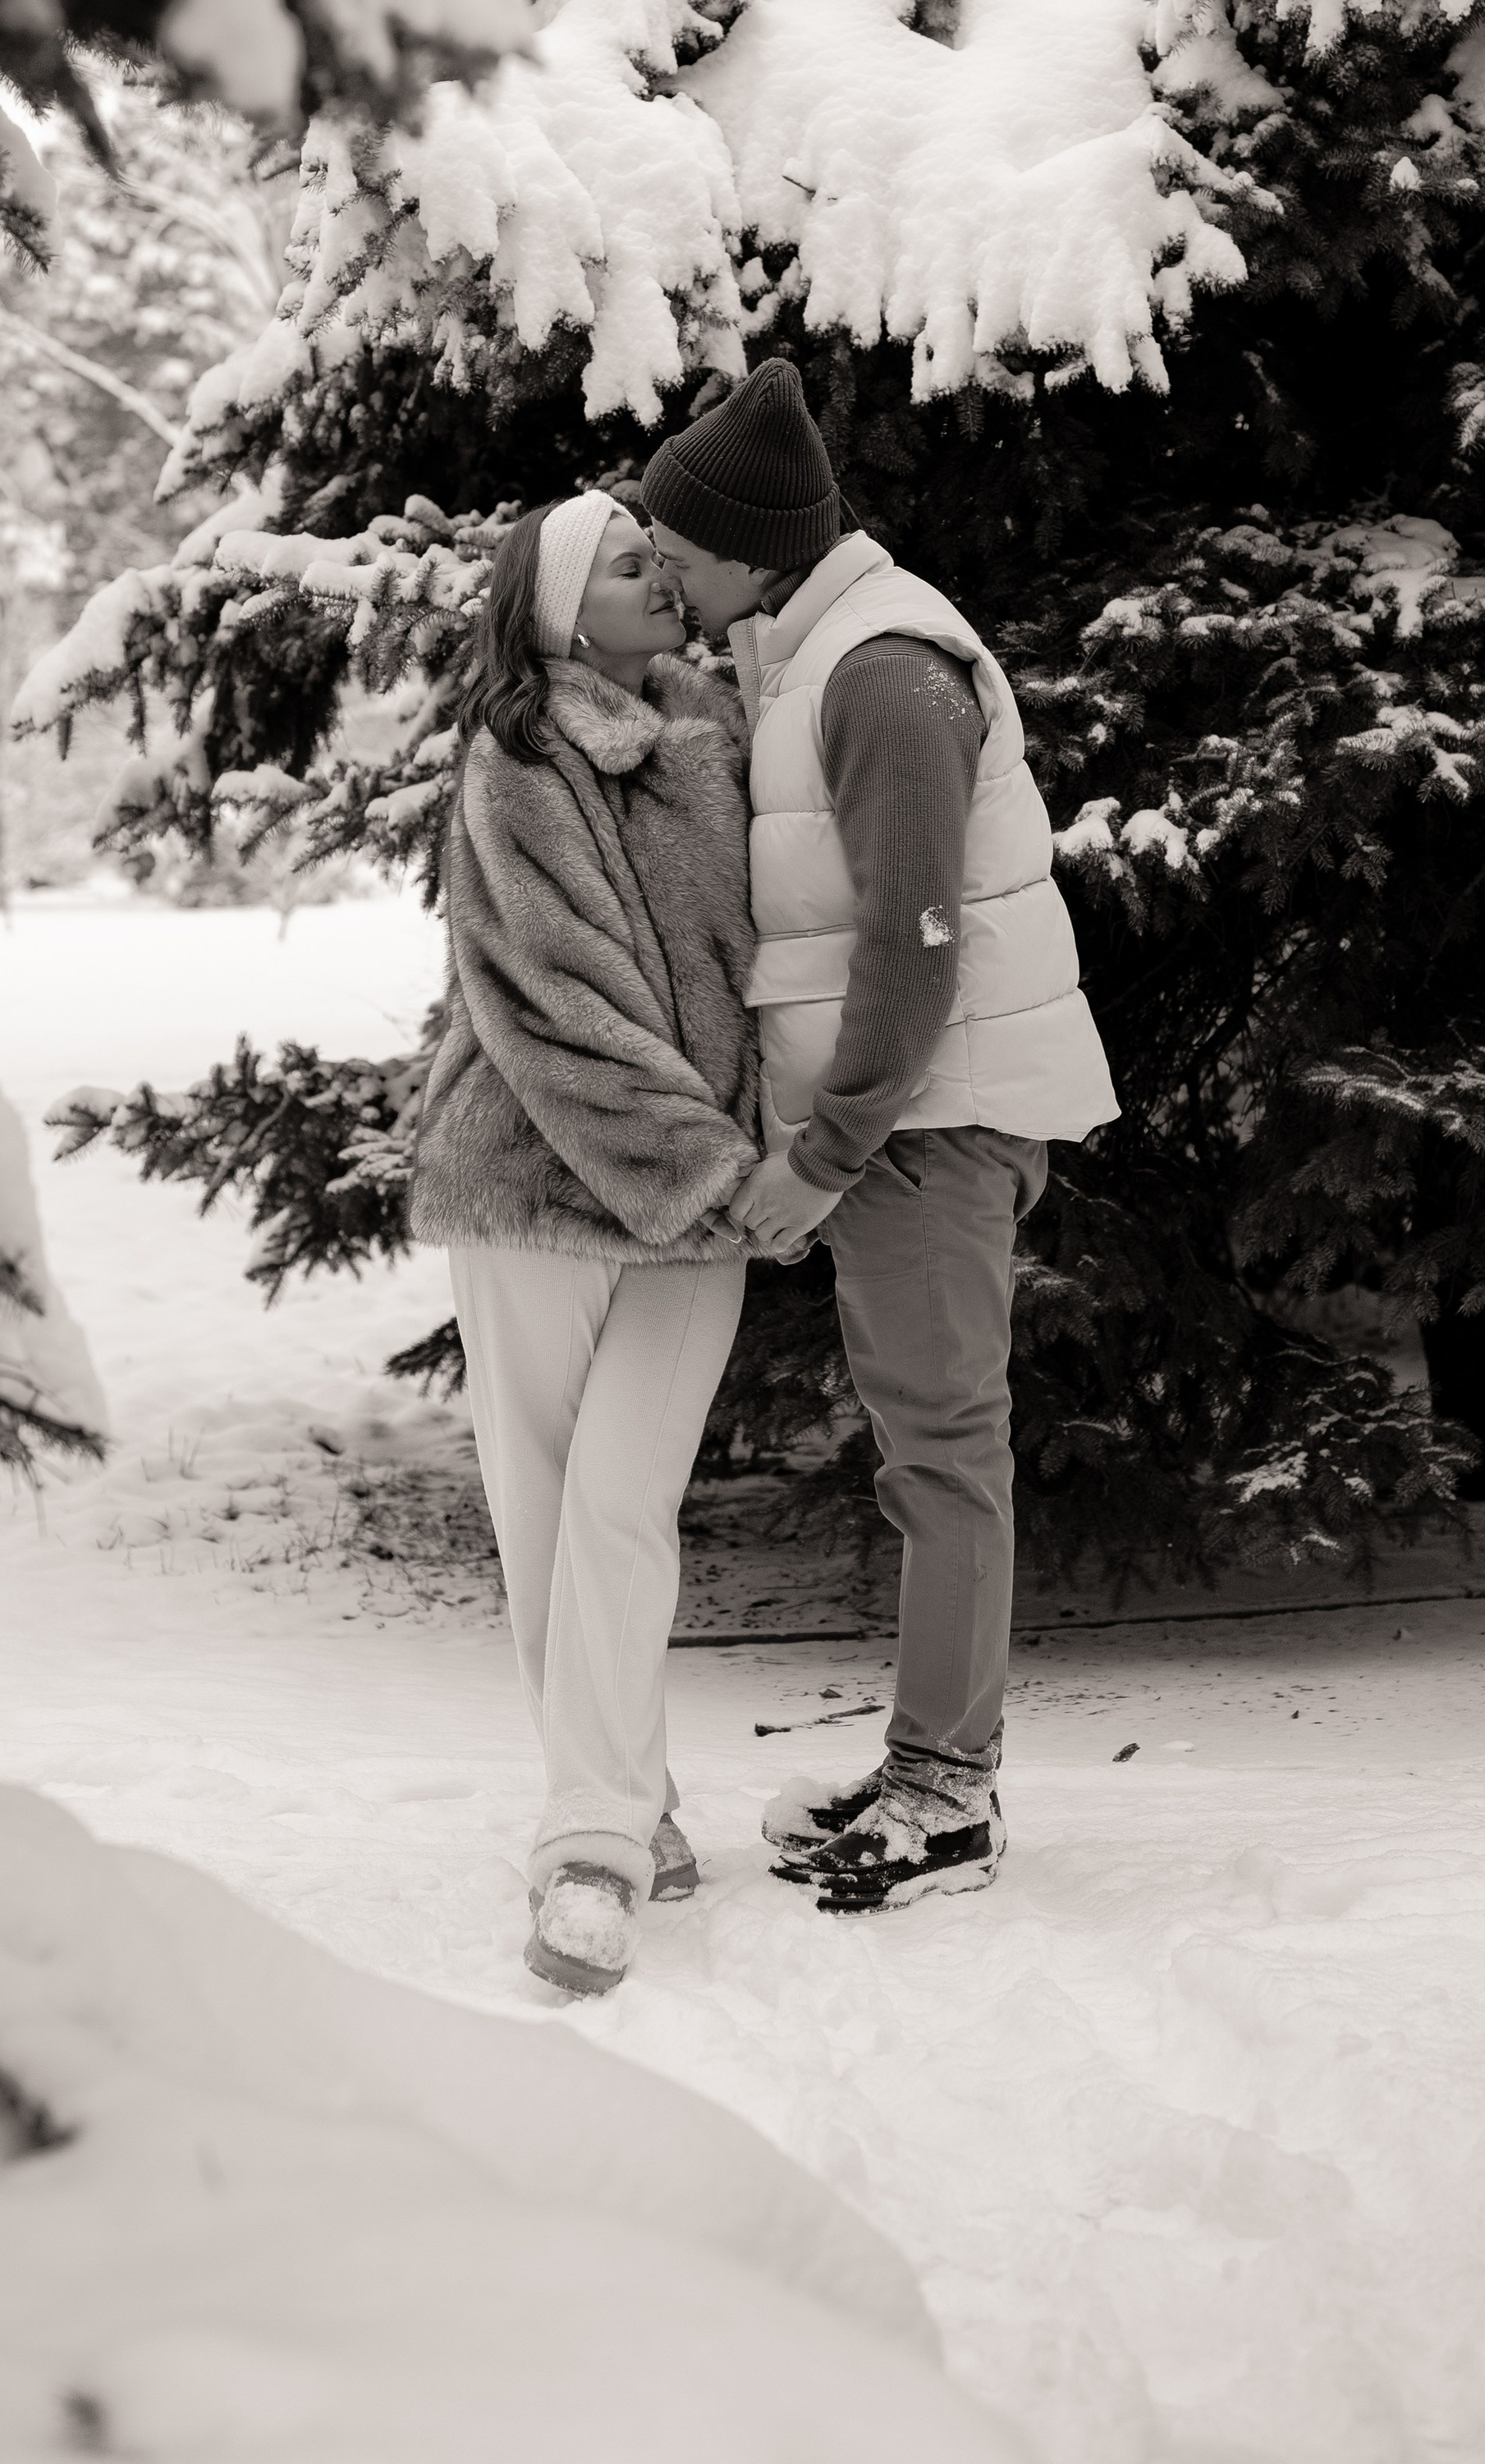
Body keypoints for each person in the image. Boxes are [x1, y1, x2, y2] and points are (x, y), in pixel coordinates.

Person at [640, 360, 1119, 1912]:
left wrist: (825, 1147)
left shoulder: (883, 669)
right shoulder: (816, 651)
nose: (661, 573)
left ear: (754, 543)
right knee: (927, 1452)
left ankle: (950, 1794)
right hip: (904, 1120)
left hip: (929, 1118)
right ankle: (929, 1754)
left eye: (676, 548)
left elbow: (917, 947)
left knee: (946, 1454)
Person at [408, 490, 759, 1998]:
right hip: (535, 1181)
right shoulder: (517, 759)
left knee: (624, 1507)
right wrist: (698, 1160)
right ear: (559, 612)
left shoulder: (725, 736)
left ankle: (594, 1833)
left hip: (699, 1198)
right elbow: (552, 1001)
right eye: (627, 567)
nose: (660, 580)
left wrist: (738, 1161)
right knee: (547, 1514)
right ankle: (613, 1839)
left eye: (658, 560)